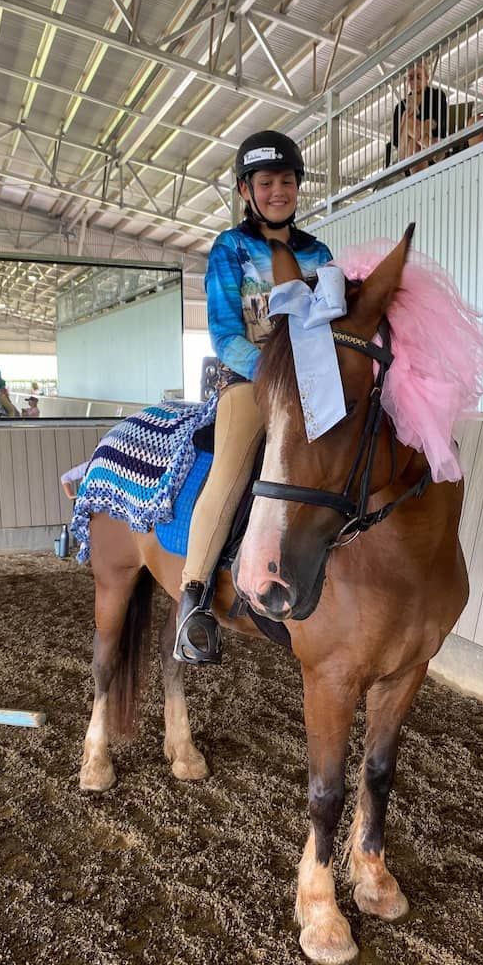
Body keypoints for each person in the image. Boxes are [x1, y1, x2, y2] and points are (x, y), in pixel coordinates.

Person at [174, 130, 334, 664]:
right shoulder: (229, 249)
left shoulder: (318, 252)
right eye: (266, 183)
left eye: (286, 181)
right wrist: (273, 377)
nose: (278, 191)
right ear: (247, 190)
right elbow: (224, 333)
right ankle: (193, 599)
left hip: (310, 382)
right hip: (247, 380)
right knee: (232, 469)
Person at [386, 61, 449, 172]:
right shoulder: (401, 106)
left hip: (432, 141)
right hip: (406, 152)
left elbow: (439, 123)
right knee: (407, 119)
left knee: (413, 144)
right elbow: (397, 139)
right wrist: (423, 125)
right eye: (411, 78)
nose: (414, 81)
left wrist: (419, 129)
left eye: (418, 77)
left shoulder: (436, 95)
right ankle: (431, 148)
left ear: (427, 78)